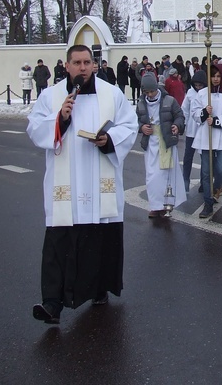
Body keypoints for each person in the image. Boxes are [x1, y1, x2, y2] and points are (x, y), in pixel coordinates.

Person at [26, 44, 138, 324]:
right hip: (67, 186)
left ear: (95, 64)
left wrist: (108, 140)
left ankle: (99, 289)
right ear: (67, 66)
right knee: (59, 243)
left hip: (100, 182)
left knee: (100, 239)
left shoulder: (111, 93)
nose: (83, 67)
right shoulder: (51, 96)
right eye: (77, 62)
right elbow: (35, 128)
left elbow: (129, 125)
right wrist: (60, 118)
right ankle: (52, 303)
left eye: (88, 62)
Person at [135, 72, 186, 218]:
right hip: (150, 143)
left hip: (166, 142)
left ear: (156, 87)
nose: (149, 94)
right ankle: (155, 206)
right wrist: (141, 127)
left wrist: (177, 126)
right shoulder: (140, 104)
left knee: (166, 175)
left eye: (151, 91)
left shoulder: (169, 101)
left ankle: (166, 204)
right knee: (152, 176)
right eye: (146, 92)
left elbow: (179, 116)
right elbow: (135, 121)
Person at [192, 63, 222, 218]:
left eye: (218, 76)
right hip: (206, 137)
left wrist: (218, 121)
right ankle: (208, 203)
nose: (215, 79)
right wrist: (204, 113)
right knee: (206, 173)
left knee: (221, 169)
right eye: (213, 76)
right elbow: (194, 113)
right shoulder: (202, 94)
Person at [182, 70, 208, 192]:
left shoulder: (207, 94)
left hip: (203, 129)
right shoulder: (190, 93)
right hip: (191, 130)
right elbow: (185, 109)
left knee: (204, 158)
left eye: (200, 85)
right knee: (188, 156)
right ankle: (185, 180)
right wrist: (185, 123)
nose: (198, 88)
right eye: (196, 85)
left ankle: (204, 182)